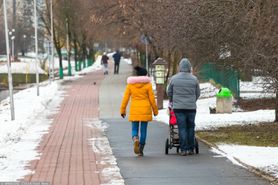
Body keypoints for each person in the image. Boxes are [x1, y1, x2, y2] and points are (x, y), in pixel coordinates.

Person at [120, 66, 158, 156]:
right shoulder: (148, 85)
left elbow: (125, 98)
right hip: (145, 109)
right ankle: (140, 149)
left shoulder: (130, 85)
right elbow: (152, 99)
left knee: (134, 128)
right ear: (145, 75)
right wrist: (155, 111)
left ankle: (135, 138)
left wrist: (123, 110)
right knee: (143, 130)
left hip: (135, 110)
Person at [167, 58, 200, 156]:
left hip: (178, 108)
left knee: (182, 128)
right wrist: (192, 101)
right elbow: (197, 93)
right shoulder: (194, 79)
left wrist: (173, 101)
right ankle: (191, 148)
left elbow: (169, 92)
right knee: (191, 127)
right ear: (189, 67)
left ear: (180, 67)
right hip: (191, 108)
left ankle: (183, 149)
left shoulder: (174, 78)